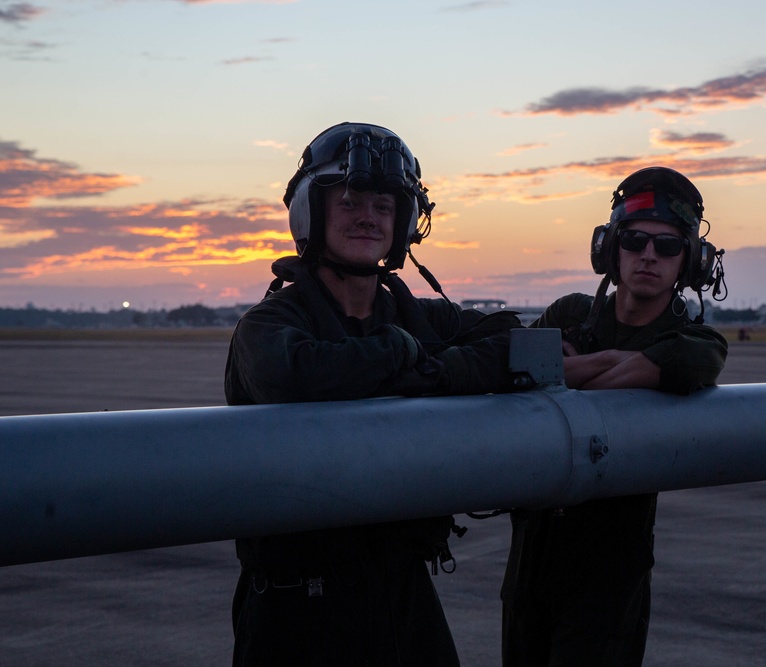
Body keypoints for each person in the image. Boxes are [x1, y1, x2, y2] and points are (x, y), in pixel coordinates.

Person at [225, 122, 521, 666]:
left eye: (385, 206)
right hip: (298, 603)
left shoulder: (418, 314)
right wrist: (404, 354)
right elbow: (293, 377)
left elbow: (517, 340)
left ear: (404, 222)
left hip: (400, 587)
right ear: (311, 213)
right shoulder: (267, 326)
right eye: (349, 200)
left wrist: (424, 368)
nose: (368, 216)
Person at [500, 167, 729, 666]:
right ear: (610, 249)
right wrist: (611, 365)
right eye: (634, 240)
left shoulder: (695, 342)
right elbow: (508, 376)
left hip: (610, 570)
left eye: (668, 247)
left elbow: (536, 381)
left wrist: (564, 374)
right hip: (531, 557)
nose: (649, 255)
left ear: (690, 263)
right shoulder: (568, 313)